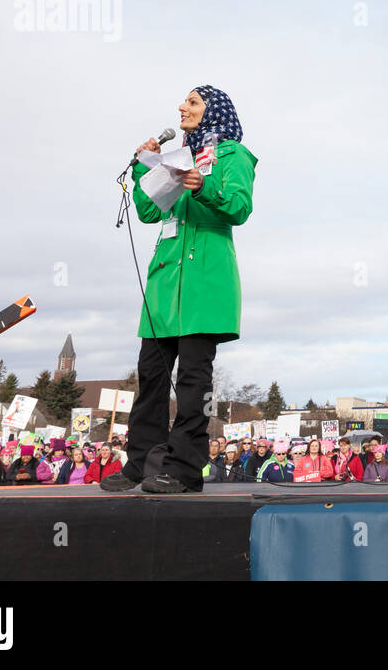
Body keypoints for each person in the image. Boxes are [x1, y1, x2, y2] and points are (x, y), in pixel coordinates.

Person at [103, 85, 258, 495]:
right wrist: (143, 167)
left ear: (214, 110)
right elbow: (151, 210)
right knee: (151, 379)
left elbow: (239, 208)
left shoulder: (232, 156)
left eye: (192, 102)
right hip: (164, 287)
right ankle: (142, 463)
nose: (181, 108)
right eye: (183, 102)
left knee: (192, 382)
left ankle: (185, 469)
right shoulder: (179, 156)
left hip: (205, 285)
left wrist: (202, 186)